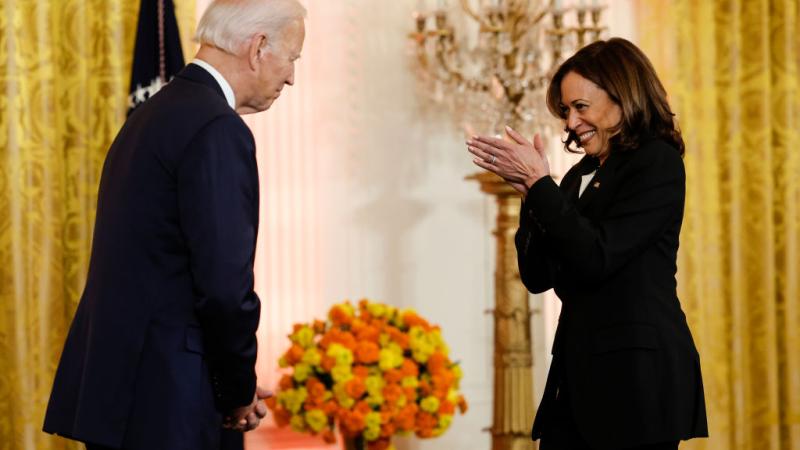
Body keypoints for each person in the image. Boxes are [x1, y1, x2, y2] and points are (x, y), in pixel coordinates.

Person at [42, 1, 306, 449]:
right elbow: (224, 289)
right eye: (292, 59)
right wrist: (237, 389)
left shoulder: (153, 113)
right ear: (259, 47)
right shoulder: (217, 128)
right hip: (169, 405)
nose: (291, 78)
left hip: (125, 395)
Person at [466, 38, 708, 449]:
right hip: (578, 376)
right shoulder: (580, 172)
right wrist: (531, 194)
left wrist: (543, 186)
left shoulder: (656, 162)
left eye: (581, 107)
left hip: (636, 379)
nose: (570, 122)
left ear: (623, 95)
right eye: (565, 111)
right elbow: (539, 277)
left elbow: (597, 256)